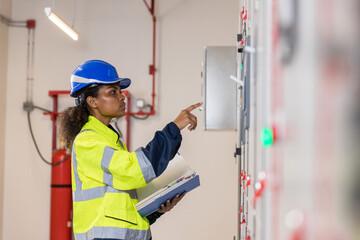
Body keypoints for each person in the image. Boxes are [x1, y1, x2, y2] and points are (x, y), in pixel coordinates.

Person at [58, 59, 202, 240]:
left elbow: (120, 206)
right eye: (112, 92)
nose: (122, 96)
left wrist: (155, 211)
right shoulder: (88, 141)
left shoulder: (109, 140)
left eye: (120, 90)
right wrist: (173, 129)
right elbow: (135, 170)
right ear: (92, 101)